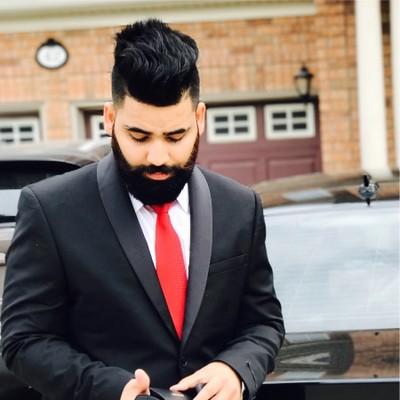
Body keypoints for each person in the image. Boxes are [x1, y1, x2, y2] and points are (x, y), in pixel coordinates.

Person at [1, 19, 284, 400]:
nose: (157, 156)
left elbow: (263, 323)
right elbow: (23, 341)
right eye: (139, 136)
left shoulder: (239, 206)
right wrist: (111, 389)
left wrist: (236, 368)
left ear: (199, 119)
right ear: (110, 118)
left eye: (176, 136)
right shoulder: (50, 209)